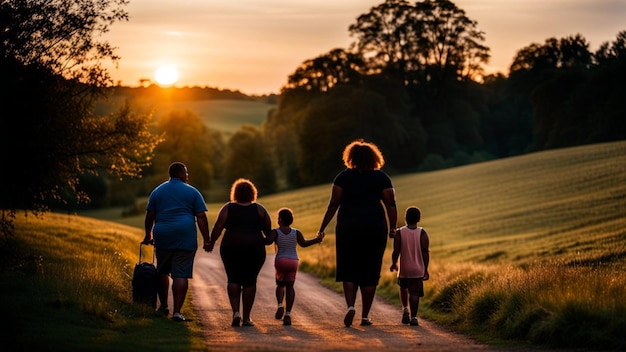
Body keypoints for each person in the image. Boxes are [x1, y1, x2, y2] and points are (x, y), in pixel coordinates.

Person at [316, 139, 397, 327]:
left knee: (348, 269)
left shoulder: (342, 178)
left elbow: (334, 204)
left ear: (350, 157)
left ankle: (351, 306)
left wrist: (322, 228)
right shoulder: (382, 178)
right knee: (371, 270)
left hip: (348, 227)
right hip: (374, 227)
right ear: (374, 158)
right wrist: (393, 228)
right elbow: (390, 204)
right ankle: (366, 316)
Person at [142, 162, 211, 322]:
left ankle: (164, 306)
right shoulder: (193, 191)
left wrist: (148, 235)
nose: (187, 175)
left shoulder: (157, 191)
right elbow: (201, 216)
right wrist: (206, 239)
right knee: (181, 274)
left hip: (163, 235)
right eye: (186, 172)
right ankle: (177, 312)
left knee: (162, 270)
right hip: (185, 235)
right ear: (181, 174)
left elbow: (150, 215)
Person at [205, 178, 271, 327]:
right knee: (250, 281)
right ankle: (247, 318)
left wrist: (210, 242)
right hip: (254, 248)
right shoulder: (260, 209)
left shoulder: (227, 208)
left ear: (235, 193)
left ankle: (235, 312)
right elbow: (268, 232)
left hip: (231, 247)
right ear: (252, 193)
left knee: (233, 278)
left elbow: (218, 227)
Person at [265, 208, 324, 325]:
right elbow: (304, 243)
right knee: (290, 287)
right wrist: (317, 240)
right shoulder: (296, 232)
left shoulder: (276, 232)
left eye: (278, 218)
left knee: (280, 284)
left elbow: (267, 241)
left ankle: (280, 305)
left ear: (280, 220)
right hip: (293, 261)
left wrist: (255, 236)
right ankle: (288, 314)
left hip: (281, 260)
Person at [390, 206, 430, 326]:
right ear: (419, 219)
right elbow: (425, 252)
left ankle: (405, 309)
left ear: (406, 218)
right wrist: (425, 269)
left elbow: (396, 251)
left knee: (403, 288)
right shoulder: (422, 233)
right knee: (414, 293)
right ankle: (414, 317)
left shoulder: (400, 233)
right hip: (418, 269)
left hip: (404, 269)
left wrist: (394, 263)